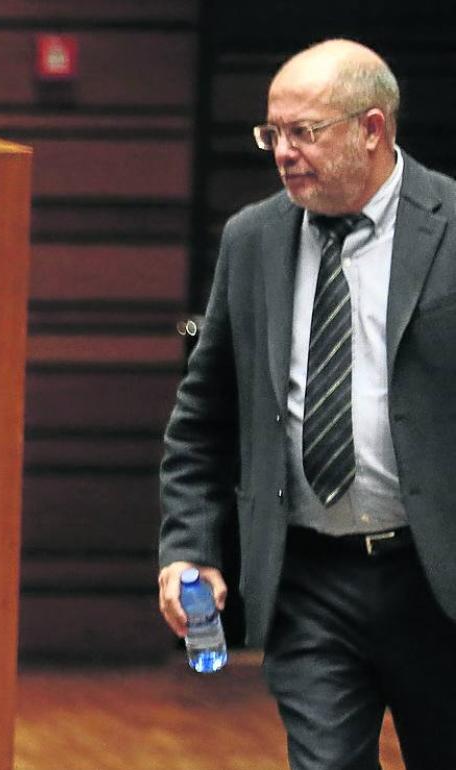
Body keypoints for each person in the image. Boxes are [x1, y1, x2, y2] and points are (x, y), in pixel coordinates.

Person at [157, 39, 456, 769]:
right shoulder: (253, 240)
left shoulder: (450, 222)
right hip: (310, 582)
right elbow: (203, 421)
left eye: (304, 132)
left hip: (437, 578)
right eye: (273, 133)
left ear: (372, 129)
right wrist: (189, 549)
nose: (283, 152)